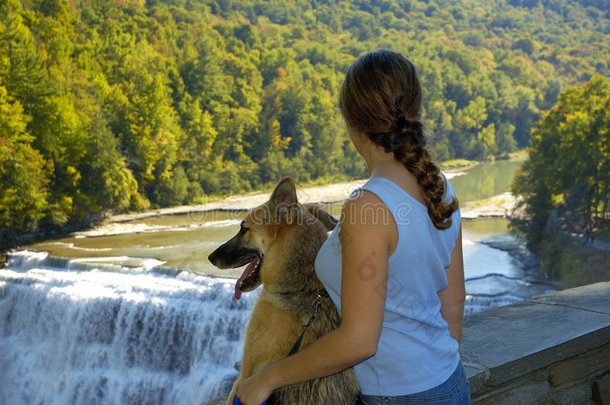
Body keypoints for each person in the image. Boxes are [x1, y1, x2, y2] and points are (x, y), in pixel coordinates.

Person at [234, 49, 470, 405]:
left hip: (400, 396)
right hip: (449, 382)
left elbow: (359, 341)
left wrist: (265, 379)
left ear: (351, 119)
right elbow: (452, 301)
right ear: (415, 109)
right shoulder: (437, 183)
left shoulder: (367, 208)